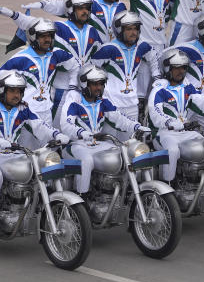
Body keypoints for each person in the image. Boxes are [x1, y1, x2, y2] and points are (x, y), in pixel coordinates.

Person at [0, 70, 69, 236]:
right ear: (2, 90)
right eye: (12, 91)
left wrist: (56, 135)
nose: (17, 95)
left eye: (19, 91)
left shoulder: (23, 110)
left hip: (14, 154)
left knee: (36, 171)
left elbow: (39, 125)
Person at [0, 0, 103, 110]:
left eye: (87, 8)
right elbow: (31, 24)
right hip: (62, 90)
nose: (85, 11)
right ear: (71, 10)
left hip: (86, 89)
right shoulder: (60, 28)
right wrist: (13, 14)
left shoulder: (93, 31)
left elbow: (99, 58)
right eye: (80, 8)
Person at [58, 66, 151, 198]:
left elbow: (120, 118)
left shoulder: (103, 102)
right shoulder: (74, 100)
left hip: (97, 143)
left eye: (101, 84)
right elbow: (66, 124)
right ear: (85, 84)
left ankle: (123, 192)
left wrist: (137, 127)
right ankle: (81, 197)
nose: (99, 88)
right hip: (75, 145)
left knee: (124, 153)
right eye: (95, 84)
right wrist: (80, 132)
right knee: (86, 160)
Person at [148, 49, 204, 182]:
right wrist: (170, 123)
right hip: (164, 133)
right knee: (172, 151)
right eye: (176, 68)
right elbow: (155, 113)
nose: (181, 71)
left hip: (187, 131)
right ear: (166, 68)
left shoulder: (188, 87)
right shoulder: (159, 90)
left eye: (183, 68)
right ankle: (168, 187)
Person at [0, 18, 78, 119]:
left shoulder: (56, 54)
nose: (47, 40)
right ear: (33, 37)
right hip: (25, 113)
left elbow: (75, 65)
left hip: (47, 112)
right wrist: (7, 102)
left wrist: (73, 87)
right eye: (43, 36)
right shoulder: (21, 58)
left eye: (49, 36)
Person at [91, 10, 161, 128]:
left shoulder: (142, 46)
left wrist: (157, 76)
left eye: (135, 29)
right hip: (111, 105)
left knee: (131, 143)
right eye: (129, 29)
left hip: (133, 105)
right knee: (111, 143)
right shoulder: (108, 49)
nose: (133, 33)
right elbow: (91, 69)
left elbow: (153, 57)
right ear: (119, 30)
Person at [173, 14, 204, 100]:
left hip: (202, 100)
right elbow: (164, 55)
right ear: (201, 31)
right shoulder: (189, 48)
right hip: (186, 99)